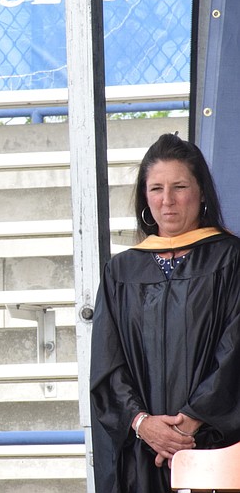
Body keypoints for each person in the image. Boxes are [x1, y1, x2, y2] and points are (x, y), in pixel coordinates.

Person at [90, 132, 240, 492]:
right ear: (145, 196)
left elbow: (235, 349)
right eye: (156, 188)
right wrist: (144, 424)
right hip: (142, 451)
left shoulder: (230, 259)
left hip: (213, 445)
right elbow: (107, 364)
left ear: (201, 191)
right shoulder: (121, 272)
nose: (167, 200)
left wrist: (190, 422)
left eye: (179, 186)